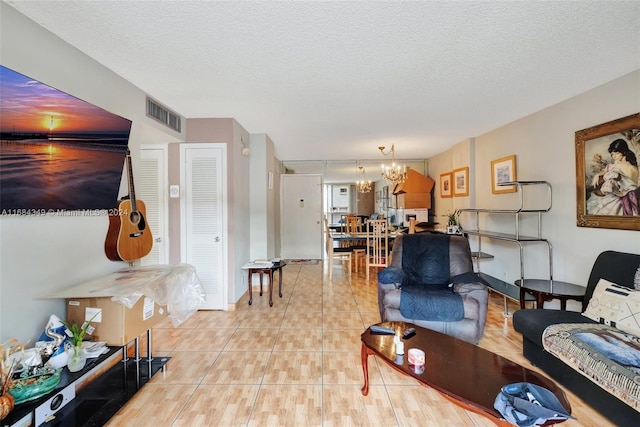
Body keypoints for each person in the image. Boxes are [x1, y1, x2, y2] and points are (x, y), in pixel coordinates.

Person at [587, 138, 639, 216]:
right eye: (612, 154)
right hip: (622, 194)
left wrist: (602, 175)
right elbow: (607, 170)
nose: (614, 156)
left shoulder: (625, 166)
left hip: (628, 196)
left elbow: (616, 175)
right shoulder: (617, 165)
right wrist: (598, 174)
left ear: (623, 151)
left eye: (616, 153)